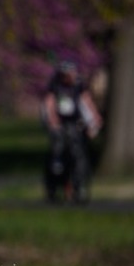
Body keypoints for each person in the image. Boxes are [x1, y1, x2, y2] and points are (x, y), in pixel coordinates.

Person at [42, 59, 102, 204]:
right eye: (69, 74)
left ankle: (79, 186)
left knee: (79, 154)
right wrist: (53, 121)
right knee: (58, 149)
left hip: (75, 124)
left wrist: (94, 120)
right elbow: (49, 104)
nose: (72, 76)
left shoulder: (79, 86)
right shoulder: (55, 86)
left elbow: (87, 102)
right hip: (60, 124)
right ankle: (56, 180)